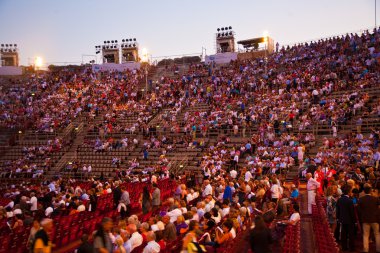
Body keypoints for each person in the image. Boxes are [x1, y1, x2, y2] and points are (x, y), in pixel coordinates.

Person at [358, 184, 380, 253]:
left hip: (365, 219)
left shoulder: (361, 199)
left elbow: (359, 210)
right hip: (375, 219)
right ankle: (378, 249)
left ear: (364, 191)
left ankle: (365, 249)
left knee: (365, 235)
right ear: (370, 191)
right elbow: (379, 209)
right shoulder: (376, 199)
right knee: (377, 234)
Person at [336, 185, 355, 252]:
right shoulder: (350, 201)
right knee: (351, 235)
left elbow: (337, 210)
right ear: (349, 192)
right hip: (350, 220)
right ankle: (351, 248)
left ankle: (344, 247)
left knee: (343, 234)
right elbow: (352, 212)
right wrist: (354, 221)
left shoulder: (340, 200)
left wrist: (338, 218)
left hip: (342, 220)